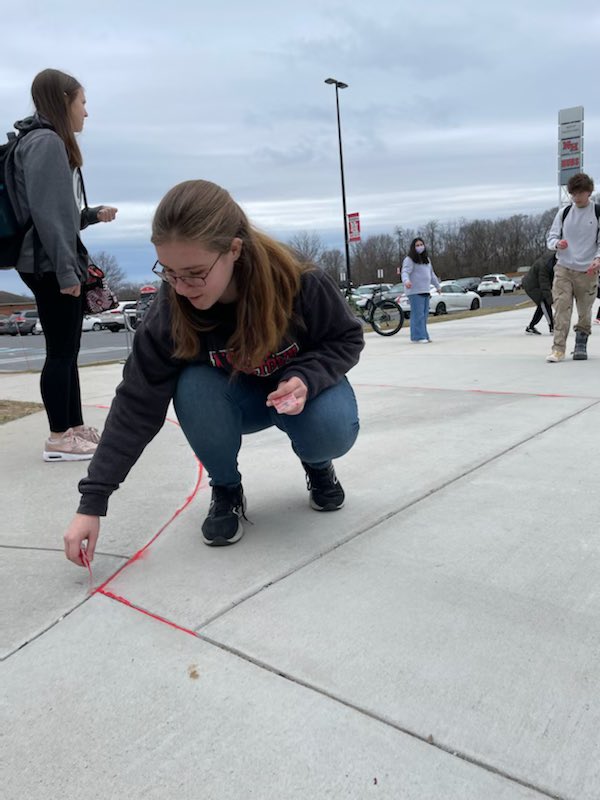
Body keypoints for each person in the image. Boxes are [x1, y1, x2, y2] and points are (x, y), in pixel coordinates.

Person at [63, 179, 364, 562]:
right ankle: (226, 488)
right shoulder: (170, 309)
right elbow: (137, 402)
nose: (182, 286)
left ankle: (318, 465)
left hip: (298, 398)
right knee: (192, 385)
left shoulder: (298, 280)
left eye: (194, 272)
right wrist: (92, 502)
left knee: (330, 427)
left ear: (233, 250)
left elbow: (346, 339)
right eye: (169, 272)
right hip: (236, 402)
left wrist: (307, 376)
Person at [8, 68, 118, 458]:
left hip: (49, 259)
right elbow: (47, 215)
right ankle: (58, 438)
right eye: (82, 102)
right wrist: (67, 271)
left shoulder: (41, 142)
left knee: (68, 349)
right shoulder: (46, 143)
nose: (86, 112)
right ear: (64, 99)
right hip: (48, 264)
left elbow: (59, 212)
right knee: (59, 350)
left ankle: (72, 426)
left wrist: (90, 215)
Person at [545, 173, 600, 362]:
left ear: (589, 192)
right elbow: (551, 237)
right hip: (564, 268)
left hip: (588, 270)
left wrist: (598, 259)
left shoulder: (597, 212)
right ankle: (558, 348)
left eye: (580, 193)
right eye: (573, 194)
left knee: (584, 311)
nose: (577, 197)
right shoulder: (564, 213)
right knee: (561, 307)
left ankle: (581, 343)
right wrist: (556, 244)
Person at [401, 237, 440, 342]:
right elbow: (405, 272)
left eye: (421, 245)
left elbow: (431, 274)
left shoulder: (427, 260)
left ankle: (424, 335)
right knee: (417, 315)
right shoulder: (409, 260)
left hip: (425, 290)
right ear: (413, 247)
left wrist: (437, 286)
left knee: (424, 315)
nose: (420, 247)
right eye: (417, 245)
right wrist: (406, 281)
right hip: (414, 291)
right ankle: (418, 336)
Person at [521, 251, 554, 335]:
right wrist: (550, 299)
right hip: (532, 285)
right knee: (545, 303)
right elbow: (544, 285)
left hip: (537, 284)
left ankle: (530, 327)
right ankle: (552, 327)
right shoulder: (544, 266)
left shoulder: (552, 261)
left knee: (541, 307)